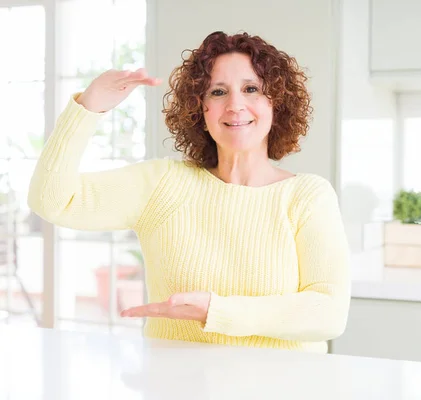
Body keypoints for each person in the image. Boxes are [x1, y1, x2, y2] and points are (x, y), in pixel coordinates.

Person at [28, 31, 350, 354]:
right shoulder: (162, 185)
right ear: (200, 108)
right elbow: (52, 199)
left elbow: (330, 313)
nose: (235, 105)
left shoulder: (308, 196)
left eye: (251, 89)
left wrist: (216, 312)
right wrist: (88, 106)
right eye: (218, 91)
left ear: (276, 103)